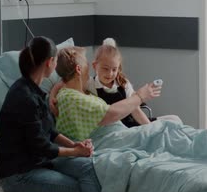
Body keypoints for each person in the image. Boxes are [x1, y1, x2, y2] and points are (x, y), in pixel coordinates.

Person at [0, 36, 122, 192]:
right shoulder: (23, 98)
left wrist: (74, 145)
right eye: (55, 61)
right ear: (49, 63)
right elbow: (42, 146)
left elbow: (51, 132)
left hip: (41, 163)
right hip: (21, 175)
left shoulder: (36, 92)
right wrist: (74, 153)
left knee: (88, 166)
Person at [50, 38, 180, 133]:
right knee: (168, 128)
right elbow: (65, 80)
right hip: (122, 130)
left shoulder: (124, 84)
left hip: (135, 122)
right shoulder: (90, 83)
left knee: (175, 119)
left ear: (118, 68)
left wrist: (149, 128)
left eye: (114, 69)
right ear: (95, 66)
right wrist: (52, 96)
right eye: (105, 69)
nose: (110, 74)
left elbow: (135, 109)